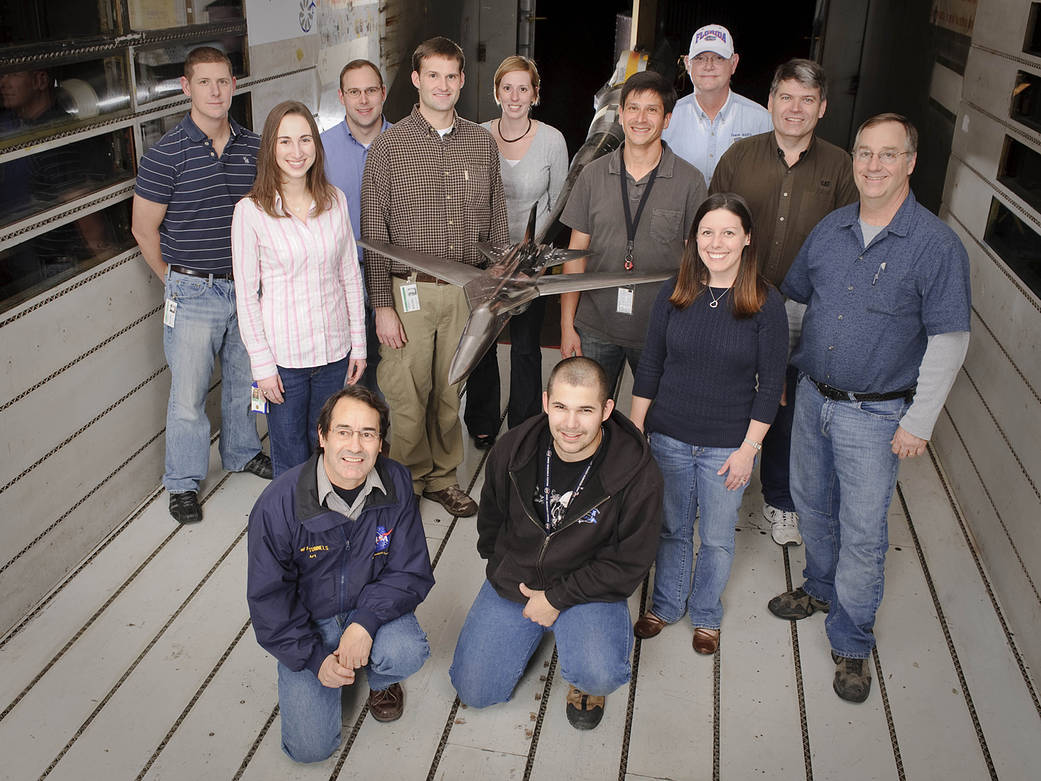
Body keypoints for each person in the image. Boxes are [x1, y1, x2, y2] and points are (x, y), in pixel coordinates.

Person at [767, 114, 971, 703]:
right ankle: (821, 585)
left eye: (888, 155)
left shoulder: (935, 246)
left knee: (862, 531)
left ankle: (852, 641)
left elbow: (949, 340)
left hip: (876, 414)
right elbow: (797, 302)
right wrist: (783, 371)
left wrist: (918, 421)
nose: (873, 166)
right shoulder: (831, 229)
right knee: (809, 503)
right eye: (864, 153)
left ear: (910, 162)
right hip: (812, 398)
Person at [450, 357, 663, 730]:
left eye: (585, 410)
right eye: (561, 407)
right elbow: (491, 523)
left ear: (606, 410)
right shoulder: (513, 450)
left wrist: (555, 600)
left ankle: (581, 674)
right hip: (519, 578)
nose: (570, 424)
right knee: (475, 691)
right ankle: (533, 629)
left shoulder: (637, 473)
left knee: (600, 673)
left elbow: (630, 562)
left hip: (588, 588)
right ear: (546, 402)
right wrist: (508, 574)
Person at [630, 193, 787, 655]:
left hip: (728, 445)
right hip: (669, 436)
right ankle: (665, 604)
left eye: (728, 232)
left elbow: (771, 383)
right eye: (707, 232)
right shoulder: (675, 293)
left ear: (747, 239)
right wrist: (638, 430)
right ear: (693, 238)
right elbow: (651, 364)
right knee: (672, 527)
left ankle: (706, 614)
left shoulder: (764, 302)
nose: (716, 243)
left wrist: (748, 450)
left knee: (716, 537)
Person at [710, 59, 858, 546]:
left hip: (802, 307)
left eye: (807, 100)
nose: (795, 109)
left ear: (823, 108)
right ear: (771, 101)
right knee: (731, 389)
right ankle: (716, 489)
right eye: (787, 97)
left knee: (787, 403)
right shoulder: (738, 157)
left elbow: (850, 243)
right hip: (739, 295)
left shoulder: (840, 167)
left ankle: (781, 501)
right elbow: (712, 227)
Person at [246, 386, 434, 763]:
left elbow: (409, 571)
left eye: (368, 434)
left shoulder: (396, 482)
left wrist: (363, 624)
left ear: (381, 443)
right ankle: (330, 667)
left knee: (407, 650)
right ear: (323, 435)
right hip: (308, 623)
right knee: (309, 750)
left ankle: (380, 679)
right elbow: (270, 599)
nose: (356, 446)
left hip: (370, 607)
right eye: (344, 431)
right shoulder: (278, 504)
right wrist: (315, 659)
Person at [362, 36, 509, 517]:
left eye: (451, 76)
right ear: (416, 80)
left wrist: (497, 290)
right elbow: (372, 231)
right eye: (433, 76)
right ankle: (403, 484)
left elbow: (496, 222)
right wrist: (382, 304)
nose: (442, 85)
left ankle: (443, 479)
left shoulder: (480, 143)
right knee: (406, 396)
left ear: (462, 81)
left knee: (449, 394)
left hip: (465, 293)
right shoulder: (389, 146)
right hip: (409, 294)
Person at [132, 46, 272, 525]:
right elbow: (143, 230)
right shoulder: (165, 155)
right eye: (204, 82)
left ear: (234, 85)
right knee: (188, 395)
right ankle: (184, 482)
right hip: (192, 292)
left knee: (241, 382)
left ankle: (240, 452)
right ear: (185, 88)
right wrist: (175, 282)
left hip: (247, 290)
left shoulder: (255, 148)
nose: (215, 91)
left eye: (223, 81)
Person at [232, 101, 367, 476]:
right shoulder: (251, 212)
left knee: (328, 446)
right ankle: (295, 529)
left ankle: (327, 521)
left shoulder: (334, 200)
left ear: (316, 145)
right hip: (284, 359)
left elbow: (349, 277)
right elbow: (246, 296)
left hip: (333, 351)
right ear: (270, 149)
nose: (297, 152)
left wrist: (359, 344)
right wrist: (261, 365)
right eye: (285, 141)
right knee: (290, 454)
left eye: (305, 139)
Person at [559, 70, 706, 395]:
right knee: (592, 417)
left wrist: (687, 332)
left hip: (661, 329)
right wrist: (567, 325)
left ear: (667, 119)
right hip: (596, 325)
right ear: (620, 114)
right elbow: (574, 257)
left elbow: (696, 265)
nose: (641, 118)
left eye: (652, 110)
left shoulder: (690, 181)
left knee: (657, 420)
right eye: (633, 108)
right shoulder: (592, 175)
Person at [476, 55, 568, 433]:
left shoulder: (551, 140)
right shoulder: (478, 135)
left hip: (531, 261)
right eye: (507, 87)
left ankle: (524, 426)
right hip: (487, 259)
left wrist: (541, 262)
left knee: (527, 348)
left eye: (523, 88)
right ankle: (481, 421)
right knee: (483, 345)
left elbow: (560, 204)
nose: (515, 96)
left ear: (535, 94)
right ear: (496, 92)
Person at [321, 59, 392, 395]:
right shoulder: (319, 150)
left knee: (391, 377)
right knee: (346, 379)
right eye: (354, 92)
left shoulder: (406, 145)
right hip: (337, 281)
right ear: (341, 96)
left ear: (383, 93)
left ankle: (383, 442)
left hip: (393, 279)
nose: (363, 100)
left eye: (370, 91)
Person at [661, 24, 771, 186]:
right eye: (700, 58)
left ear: (734, 63)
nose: (709, 66)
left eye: (719, 58)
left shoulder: (761, 120)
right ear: (687, 64)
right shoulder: (666, 118)